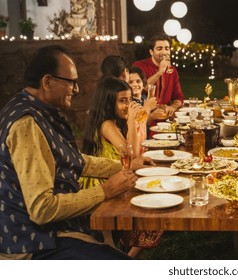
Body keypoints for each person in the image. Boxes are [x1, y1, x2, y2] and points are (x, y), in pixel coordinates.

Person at [0, 45, 153, 260]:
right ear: (47, 81)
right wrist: (105, 191)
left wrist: (127, 165)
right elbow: (42, 209)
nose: (76, 89)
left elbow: (75, 159)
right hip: (33, 242)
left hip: (49, 232)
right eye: (71, 82)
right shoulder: (27, 124)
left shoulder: (37, 111)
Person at [80, 76, 163, 258]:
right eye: (122, 101)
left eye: (129, 100)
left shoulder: (113, 122)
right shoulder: (107, 125)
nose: (127, 105)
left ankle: (127, 251)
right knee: (154, 200)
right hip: (104, 185)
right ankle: (127, 256)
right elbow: (129, 154)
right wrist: (132, 122)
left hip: (115, 177)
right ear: (108, 102)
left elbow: (131, 155)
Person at [132, 34, 184, 117]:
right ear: (151, 52)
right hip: (143, 116)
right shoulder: (139, 66)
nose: (164, 52)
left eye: (167, 48)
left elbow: (179, 97)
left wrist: (172, 107)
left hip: (165, 117)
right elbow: (141, 88)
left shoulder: (173, 71)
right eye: (159, 49)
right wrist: (160, 72)